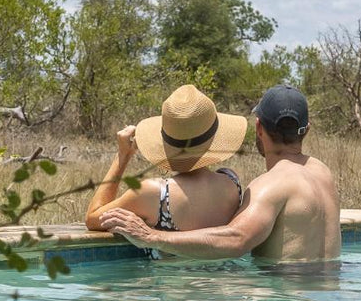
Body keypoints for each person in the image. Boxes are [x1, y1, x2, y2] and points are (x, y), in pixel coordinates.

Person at [101, 85, 340, 264]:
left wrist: (152, 237)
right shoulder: (322, 173)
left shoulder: (269, 186)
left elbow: (235, 240)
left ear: (258, 128)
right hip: (327, 299)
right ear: (306, 130)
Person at [84, 85, 247, 255]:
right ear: (214, 138)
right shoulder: (231, 182)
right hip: (224, 279)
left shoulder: (153, 193)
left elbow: (93, 218)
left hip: (169, 281)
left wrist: (122, 156)